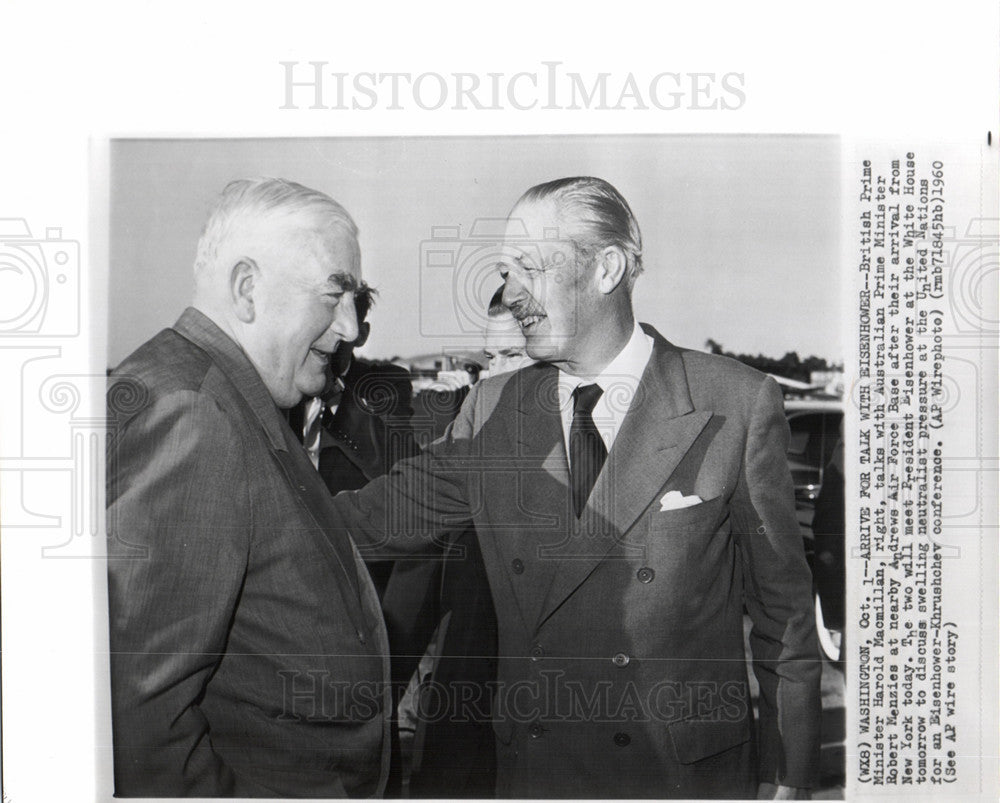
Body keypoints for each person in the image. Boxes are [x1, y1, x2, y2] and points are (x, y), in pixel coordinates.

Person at [333, 176, 821, 799]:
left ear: (607, 268)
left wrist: (789, 775)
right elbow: (370, 518)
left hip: (678, 779)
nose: (511, 295)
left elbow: (782, 608)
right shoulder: (493, 408)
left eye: (530, 269)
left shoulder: (735, 402)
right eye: (506, 273)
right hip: (537, 774)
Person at [106, 177, 391, 797]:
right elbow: (145, 719)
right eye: (333, 295)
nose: (351, 327)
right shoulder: (194, 414)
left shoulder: (227, 392)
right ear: (246, 289)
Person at [389, 287, 531, 798]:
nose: (493, 373)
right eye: (489, 358)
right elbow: (415, 568)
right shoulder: (473, 436)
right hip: (464, 704)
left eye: (512, 356)